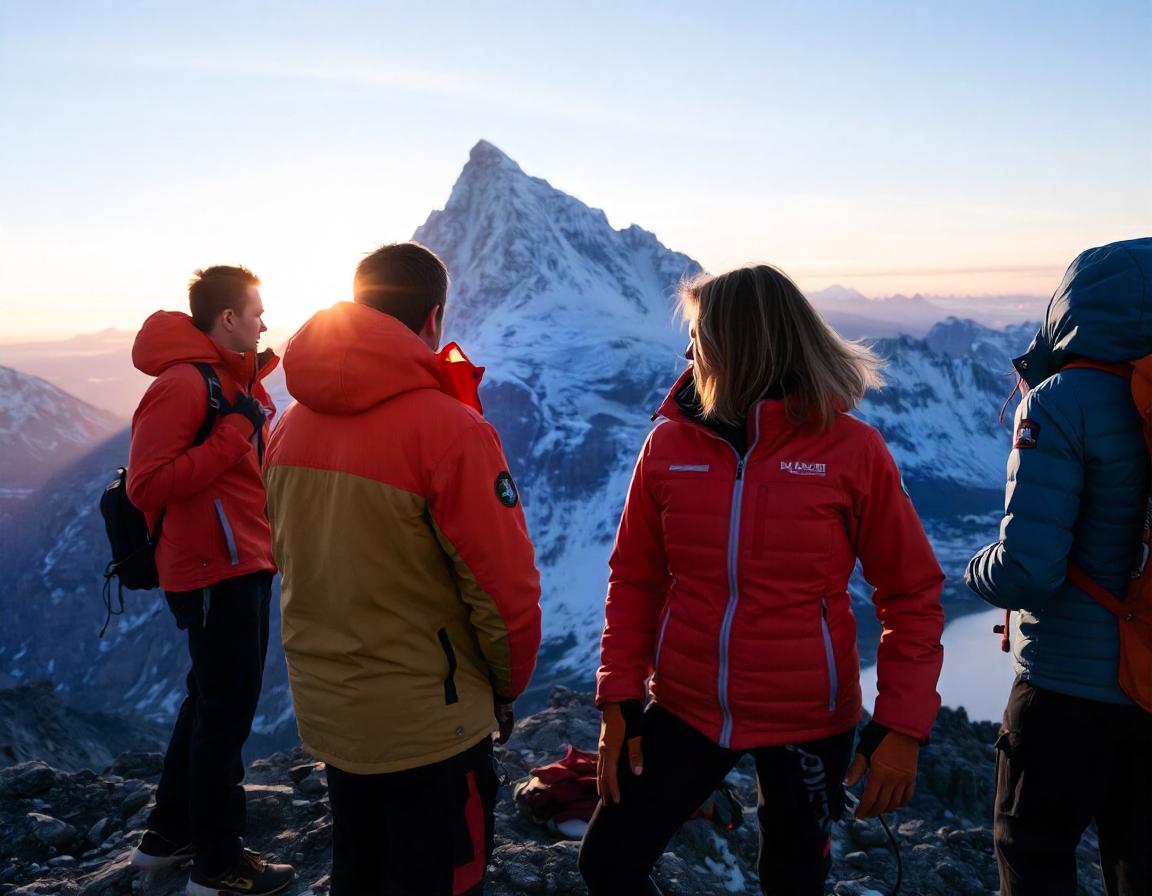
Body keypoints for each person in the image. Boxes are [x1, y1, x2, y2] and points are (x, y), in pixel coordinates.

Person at [579, 264, 946, 896]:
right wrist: (618, 700)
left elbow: (910, 593)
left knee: (793, 881)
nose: (689, 350)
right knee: (607, 862)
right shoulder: (669, 445)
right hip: (686, 706)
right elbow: (636, 577)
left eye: (699, 335)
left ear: (740, 344)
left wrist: (901, 728)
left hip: (810, 719)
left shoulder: (851, 450)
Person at [263, 242, 543, 896]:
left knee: (358, 873)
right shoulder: (450, 431)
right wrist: (506, 687)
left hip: (333, 714)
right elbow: (504, 591)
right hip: (431, 725)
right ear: (432, 318)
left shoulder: (289, 425)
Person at [966, 238, 1152, 896]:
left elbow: (1029, 571)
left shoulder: (1059, 401)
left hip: (1067, 692)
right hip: (1150, 688)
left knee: (1033, 853)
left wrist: (974, 569)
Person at [126, 265, 294, 895]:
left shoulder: (229, 381)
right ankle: (218, 865)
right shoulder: (185, 385)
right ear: (228, 318)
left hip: (241, 562)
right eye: (256, 312)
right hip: (210, 570)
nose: (263, 322)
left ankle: (167, 839)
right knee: (226, 715)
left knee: (210, 702)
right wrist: (234, 431)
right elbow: (147, 485)